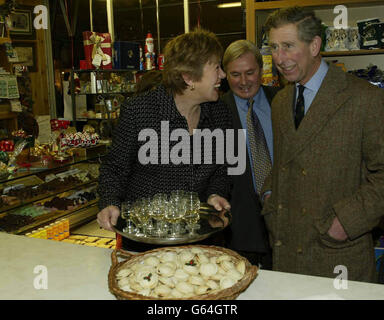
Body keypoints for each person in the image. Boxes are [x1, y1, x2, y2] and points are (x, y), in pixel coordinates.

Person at [262, 6, 384, 282]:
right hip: (286, 251)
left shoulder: (364, 99)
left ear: (315, 45)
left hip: (336, 255)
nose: (279, 58)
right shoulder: (281, 101)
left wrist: (345, 222)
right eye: (274, 47)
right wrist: (269, 194)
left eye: (288, 46)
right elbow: (283, 163)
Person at [97, 29, 233, 251]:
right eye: (216, 68)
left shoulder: (219, 113)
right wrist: (109, 202)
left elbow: (222, 168)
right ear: (188, 77)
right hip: (146, 238)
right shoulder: (140, 110)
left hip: (197, 235)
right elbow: (115, 167)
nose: (223, 75)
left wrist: (215, 193)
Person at [221, 40, 279, 268]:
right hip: (239, 229)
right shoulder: (215, 111)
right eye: (235, 74)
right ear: (225, 74)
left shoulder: (283, 101)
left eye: (250, 72)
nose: (244, 82)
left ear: (262, 70)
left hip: (286, 223)